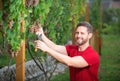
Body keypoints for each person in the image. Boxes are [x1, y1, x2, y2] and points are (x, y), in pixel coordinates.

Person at [34, 21, 100, 81]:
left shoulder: (92, 55)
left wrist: (47, 49)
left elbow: (70, 62)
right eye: (77, 33)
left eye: (82, 33)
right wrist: (41, 34)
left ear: (89, 35)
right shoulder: (72, 49)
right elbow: (54, 47)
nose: (78, 35)